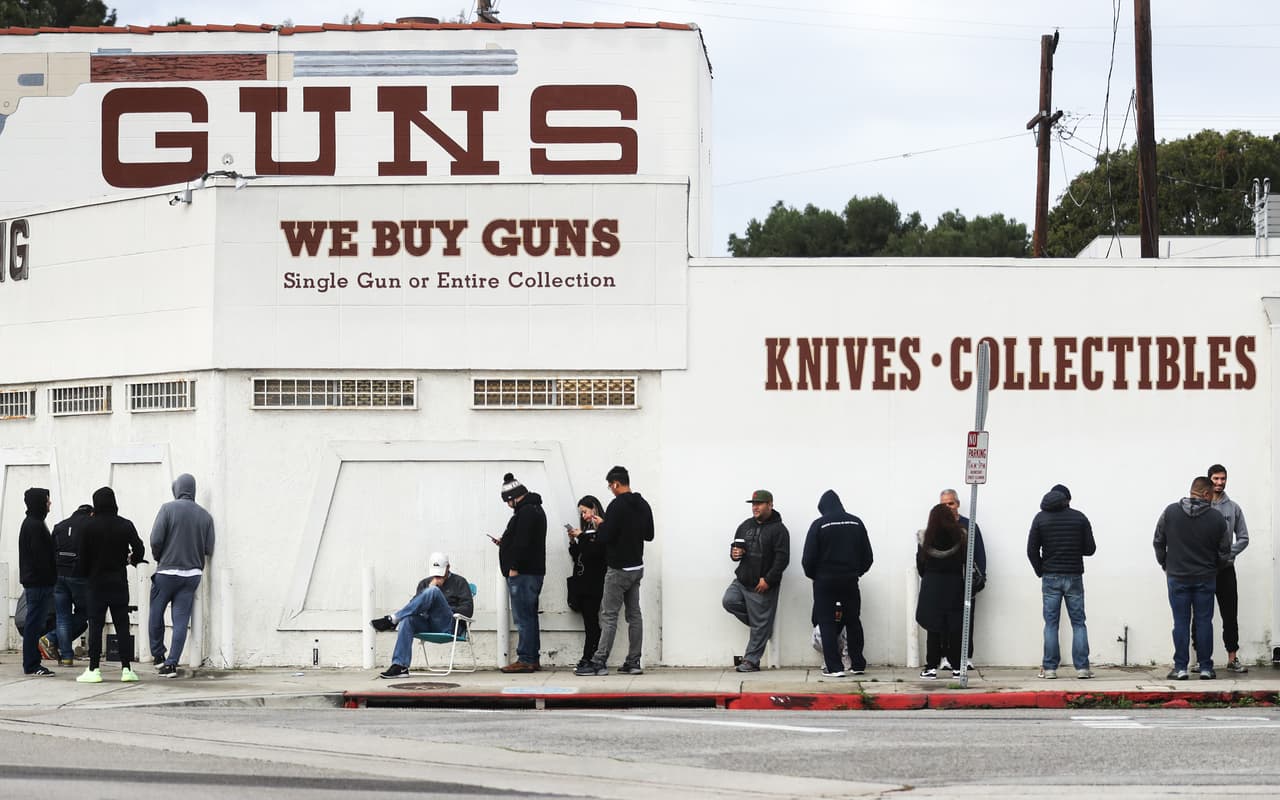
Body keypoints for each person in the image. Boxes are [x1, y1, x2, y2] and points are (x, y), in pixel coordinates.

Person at [574, 465, 654, 677]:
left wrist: (603, 526)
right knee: (634, 615)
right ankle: (633, 661)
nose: (610, 489)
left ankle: (599, 661)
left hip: (618, 569)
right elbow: (649, 534)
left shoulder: (616, 505)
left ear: (616, 484)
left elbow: (604, 538)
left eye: (610, 486)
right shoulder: (643, 504)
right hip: (637, 567)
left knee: (609, 616)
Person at [1154, 476, 1231, 680]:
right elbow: (1225, 551)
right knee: (1204, 621)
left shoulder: (1170, 512)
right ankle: (1205, 667)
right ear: (1205, 494)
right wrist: (1215, 567)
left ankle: (1180, 668)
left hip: (1177, 576)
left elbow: (1158, 541)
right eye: (1211, 494)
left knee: (1180, 622)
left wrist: (1166, 564)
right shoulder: (1216, 518)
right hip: (1205, 577)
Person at [75, 486, 146, 683]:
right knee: (122, 626)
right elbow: (140, 549)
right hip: (118, 582)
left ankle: (94, 669)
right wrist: (131, 560)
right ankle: (126, 669)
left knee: (96, 626)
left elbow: (82, 559)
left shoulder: (88, 526)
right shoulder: (125, 525)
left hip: (96, 584)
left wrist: (85, 573)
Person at [148, 473, 216, 678]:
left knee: (156, 614)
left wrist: (158, 557)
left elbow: (156, 539)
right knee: (180, 620)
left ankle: (159, 656)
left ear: (177, 489)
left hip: (167, 572)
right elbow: (209, 548)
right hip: (191, 576)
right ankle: (171, 664)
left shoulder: (167, 508)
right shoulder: (205, 516)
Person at [1026, 483, 1096, 680]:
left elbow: (1032, 550)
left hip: (1050, 576)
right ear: (1067, 500)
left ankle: (1049, 669)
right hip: (1074, 576)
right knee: (1079, 623)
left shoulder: (1040, 518)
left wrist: (1041, 570)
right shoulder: (1079, 517)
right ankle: (1082, 668)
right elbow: (1090, 549)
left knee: (1051, 624)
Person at [802, 489, 873, 678]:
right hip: (850, 580)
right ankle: (857, 663)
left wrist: (815, 576)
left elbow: (808, 558)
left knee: (826, 622)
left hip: (825, 581)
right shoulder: (856, 522)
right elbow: (868, 557)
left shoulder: (819, 525)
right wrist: (856, 572)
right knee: (853, 620)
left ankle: (834, 667)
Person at [370, 552, 474, 679]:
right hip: (428, 623)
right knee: (407, 619)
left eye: (440, 572)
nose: (437, 576)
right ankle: (400, 666)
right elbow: (412, 607)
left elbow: (468, 610)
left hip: (449, 625)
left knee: (434, 591)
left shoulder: (460, 582)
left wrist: (442, 607)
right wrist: (428, 590)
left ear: (448, 567)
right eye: (435, 572)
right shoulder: (424, 583)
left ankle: (393, 619)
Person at [723, 489, 791, 674]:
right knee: (728, 601)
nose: (755, 507)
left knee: (761, 624)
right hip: (742, 580)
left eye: (759, 503)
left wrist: (768, 580)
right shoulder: (745, 525)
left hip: (762, 587)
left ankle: (751, 661)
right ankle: (762, 629)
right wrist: (735, 553)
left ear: (770, 504)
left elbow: (782, 559)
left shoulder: (779, 530)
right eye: (753, 504)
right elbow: (736, 546)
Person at [1200, 464, 1250, 673]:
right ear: (1209, 480)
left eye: (1223, 479)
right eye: (1216, 479)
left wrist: (1227, 555)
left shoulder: (1234, 508)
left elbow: (1244, 538)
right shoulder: (1201, 506)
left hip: (1226, 570)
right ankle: (1200, 661)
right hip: (1203, 570)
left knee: (1230, 614)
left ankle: (1232, 658)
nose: (1219, 483)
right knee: (1202, 615)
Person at [497, 472, 546, 673]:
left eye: (509, 501)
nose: (509, 506)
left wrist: (514, 567)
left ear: (514, 497)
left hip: (523, 573)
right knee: (530, 616)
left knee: (523, 617)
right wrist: (505, 542)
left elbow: (523, 543)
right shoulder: (536, 509)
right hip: (533, 571)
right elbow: (523, 540)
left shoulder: (526, 512)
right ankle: (532, 657)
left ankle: (526, 658)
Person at [915, 503, 967, 679]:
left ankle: (931, 667)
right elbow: (964, 561)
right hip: (954, 585)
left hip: (932, 586)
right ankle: (957, 667)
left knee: (933, 627)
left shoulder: (925, 538)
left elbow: (920, 566)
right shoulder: (961, 537)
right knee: (954, 627)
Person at [39, 503, 94, 668]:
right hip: (79, 575)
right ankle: (52, 638)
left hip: (58, 575)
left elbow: (50, 551)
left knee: (63, 616)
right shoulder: (90, 525)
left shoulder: (60, 526)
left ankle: (67, 657)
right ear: (91, 514)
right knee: (85, 611)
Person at [940, 488, 986, 668]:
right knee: (944, 620)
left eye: (950, 503)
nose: (947, 507)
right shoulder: (937, 526)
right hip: (944, 581)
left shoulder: (969, 525)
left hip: (965, 580)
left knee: (967, 617)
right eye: (943, 504)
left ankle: (966, 657)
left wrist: (981, 575)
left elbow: (979, 552)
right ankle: (945, 657)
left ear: (957, 504)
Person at [18, 487, 56, 677]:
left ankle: (32, 662)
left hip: (36, 582)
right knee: (34, 624)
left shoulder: (32, 523)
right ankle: (32, 664)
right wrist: (51, 576)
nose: (49, 503)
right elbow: (41, 558)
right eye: (47, 500)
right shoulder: (35, 525)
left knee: (36, 623)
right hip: (39, 583)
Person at [567, 495, 607, 673]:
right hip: (581, 582)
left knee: (592, 622)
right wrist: (572, 540)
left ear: (594, 509)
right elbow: (578, 555)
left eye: (585, 511)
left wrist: (582, 536)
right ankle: (589, 657)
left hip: (594, 583)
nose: (583, 516)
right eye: (581, 513)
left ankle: (590, 657)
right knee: (588, 621)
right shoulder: (587, 533)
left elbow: (595, 552)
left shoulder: (602, 530)